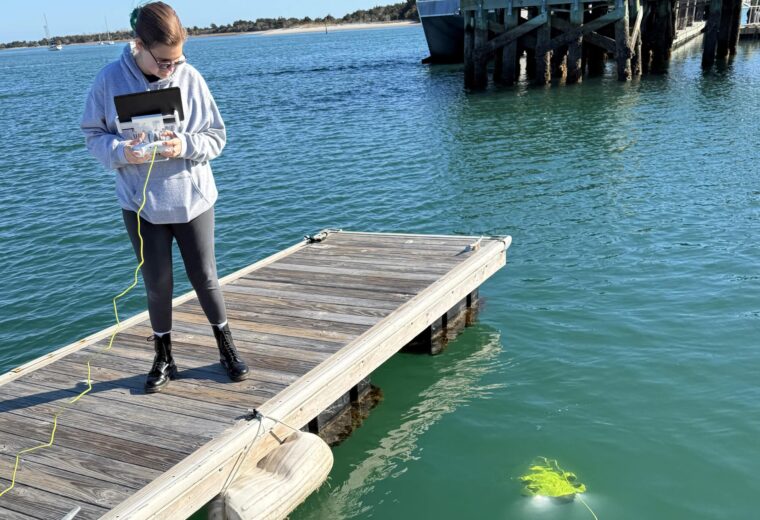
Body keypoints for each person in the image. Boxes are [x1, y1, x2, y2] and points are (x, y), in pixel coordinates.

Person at [81, 2, 249, 393]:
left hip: (192, 199)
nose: (171, 69)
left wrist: (185, 145)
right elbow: (93, 135)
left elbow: (216, 137)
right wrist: (122, 152)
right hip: (140, 204)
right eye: (163, 62)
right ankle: (163, 357)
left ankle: (226, 348)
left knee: (205, 276)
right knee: (157, 283)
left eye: (177, 60)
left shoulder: (190, 77)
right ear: (137, 44)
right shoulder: (108, 80)